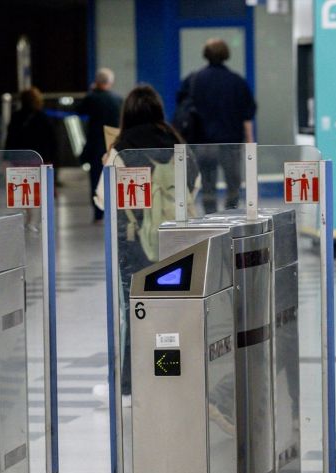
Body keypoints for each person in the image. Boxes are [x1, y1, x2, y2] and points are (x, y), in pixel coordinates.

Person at [94, 84, 195, 403]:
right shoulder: (177, 144)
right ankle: (169, 374)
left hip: (135, 244)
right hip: (176, 241)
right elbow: (195, 189)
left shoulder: (123, 149)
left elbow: (102, 199)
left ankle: (128, 386)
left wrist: (107, 162)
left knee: (135, 311)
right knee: (171, 311)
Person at [178, 38, 256, 213]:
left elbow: (182, 109)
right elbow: (247, 114)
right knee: (233, 184)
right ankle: (231, 214)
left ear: (205, 54)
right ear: (226, 55)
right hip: (231, 142)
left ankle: (210, 217)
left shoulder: (194, 80)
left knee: (207, 184)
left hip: (203, 141)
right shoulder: (236, 81)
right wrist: (250, 140)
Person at [4, 86, 56, 232]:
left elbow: (10, 138)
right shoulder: (43, 117)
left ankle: (26, 217)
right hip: (36, 159)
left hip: (19, 159)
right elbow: (50, 140)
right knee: (36, 189)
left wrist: (6, 157)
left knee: (21, 190)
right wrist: (49, 159)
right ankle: (34, 220)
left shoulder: (16, 116)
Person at [77, 68, 122, 222]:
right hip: (114, 145)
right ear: (111, 82)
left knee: (96, 179)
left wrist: (92, 91)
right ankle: (115, 210)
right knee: (115, 177)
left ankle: (98, 213)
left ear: (97, 81)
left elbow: (80, 110)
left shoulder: (91, 98)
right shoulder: (118, 99)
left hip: (96, 145)